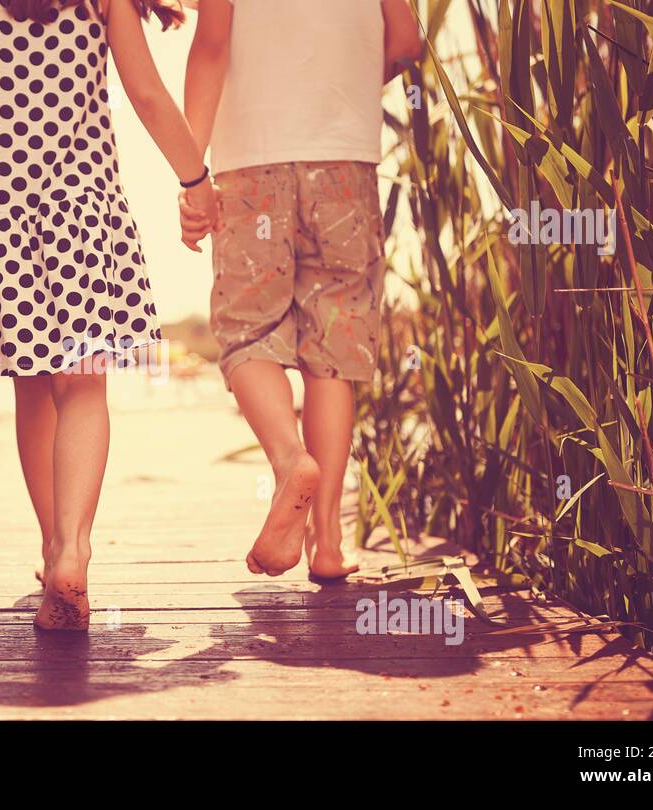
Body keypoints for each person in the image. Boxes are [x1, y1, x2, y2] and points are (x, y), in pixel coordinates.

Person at [0, 0, 216, 629]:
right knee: (84, 385)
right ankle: (74, 548)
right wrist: (195, 178)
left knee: (32, 386)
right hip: (84, 210)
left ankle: (52, 547)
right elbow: (144, 91)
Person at [179, 0, 424, 581]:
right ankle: (329, 543)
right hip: (345, 157)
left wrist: (191, 171)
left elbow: (212, 44)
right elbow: (407, 40)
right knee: (335, 345)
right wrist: (345, 77)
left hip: (250, 159)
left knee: (247, 331)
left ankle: (291, 461)